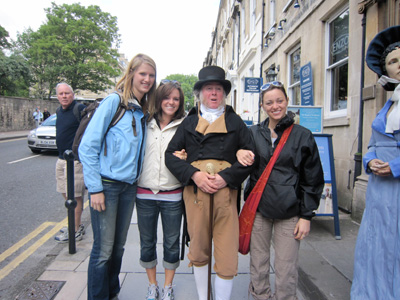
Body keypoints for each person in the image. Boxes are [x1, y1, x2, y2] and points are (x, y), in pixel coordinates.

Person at [165, 66, 255, 300]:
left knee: (226, 253)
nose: (213, 94)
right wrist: (195, 175)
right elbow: (170, 155)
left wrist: (226, 177)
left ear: (224, 94)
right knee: (199, 249)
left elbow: (251, 157)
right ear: (200, 94)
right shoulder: (189, 122)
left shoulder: (235, 122)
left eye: (218, 89)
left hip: (226, 195)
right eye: (208, 89)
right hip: (195, 194)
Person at [79, 53, 156, 300]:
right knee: (103, 250)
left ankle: (112, 293)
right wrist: (95, 189)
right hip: (107, 187)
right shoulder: (114, 102)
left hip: (128, 187)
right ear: (131, 73)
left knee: (118, 248)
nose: (147, 79)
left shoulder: (143, 109)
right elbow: (87, 147)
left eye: (151, 75)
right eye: (142, 73)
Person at [236, 81, 324, 300]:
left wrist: (306, 216)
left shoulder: (303, 135)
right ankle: (260, 296)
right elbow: (239, 163)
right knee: (258, 262)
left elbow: (312, 179)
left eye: (279, 100)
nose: (275, 106)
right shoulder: (253, 133)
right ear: (263, 106)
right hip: (259, 209)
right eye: (269, 102)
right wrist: (238, 152)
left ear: (286, 101)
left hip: (290, 211)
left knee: (286, 267)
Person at [351, 26, 400, 300]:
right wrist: (369, 163)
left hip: (396, 187)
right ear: (386, 69)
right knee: (375, 245)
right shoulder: (388, 105)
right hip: (379, 191)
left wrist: (394, 167)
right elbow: (371, 145)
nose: (399, 66)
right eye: (393, 61)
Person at [136, 80, 186, 300]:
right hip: (144, 193)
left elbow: (197, 154)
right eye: (167, 97)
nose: (171, 102)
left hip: (172, 193)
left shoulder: (186, 124)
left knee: (171, 243)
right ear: (158, 99)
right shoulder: (144, 121)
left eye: (176, 99)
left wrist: (187, 157)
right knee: (147, 242)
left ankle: (167, 287)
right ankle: (152, 285)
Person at [54, 83, 86, 243]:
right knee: (65, 194)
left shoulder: (79, 109)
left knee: (76, 197)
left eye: (67, 93)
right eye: (61, 94)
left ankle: (76, 229)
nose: (64, 96)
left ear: (73, 94)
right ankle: (73, 224)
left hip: (75, 161)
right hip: (61, 159)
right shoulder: (59, 110)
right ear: (57, 96)